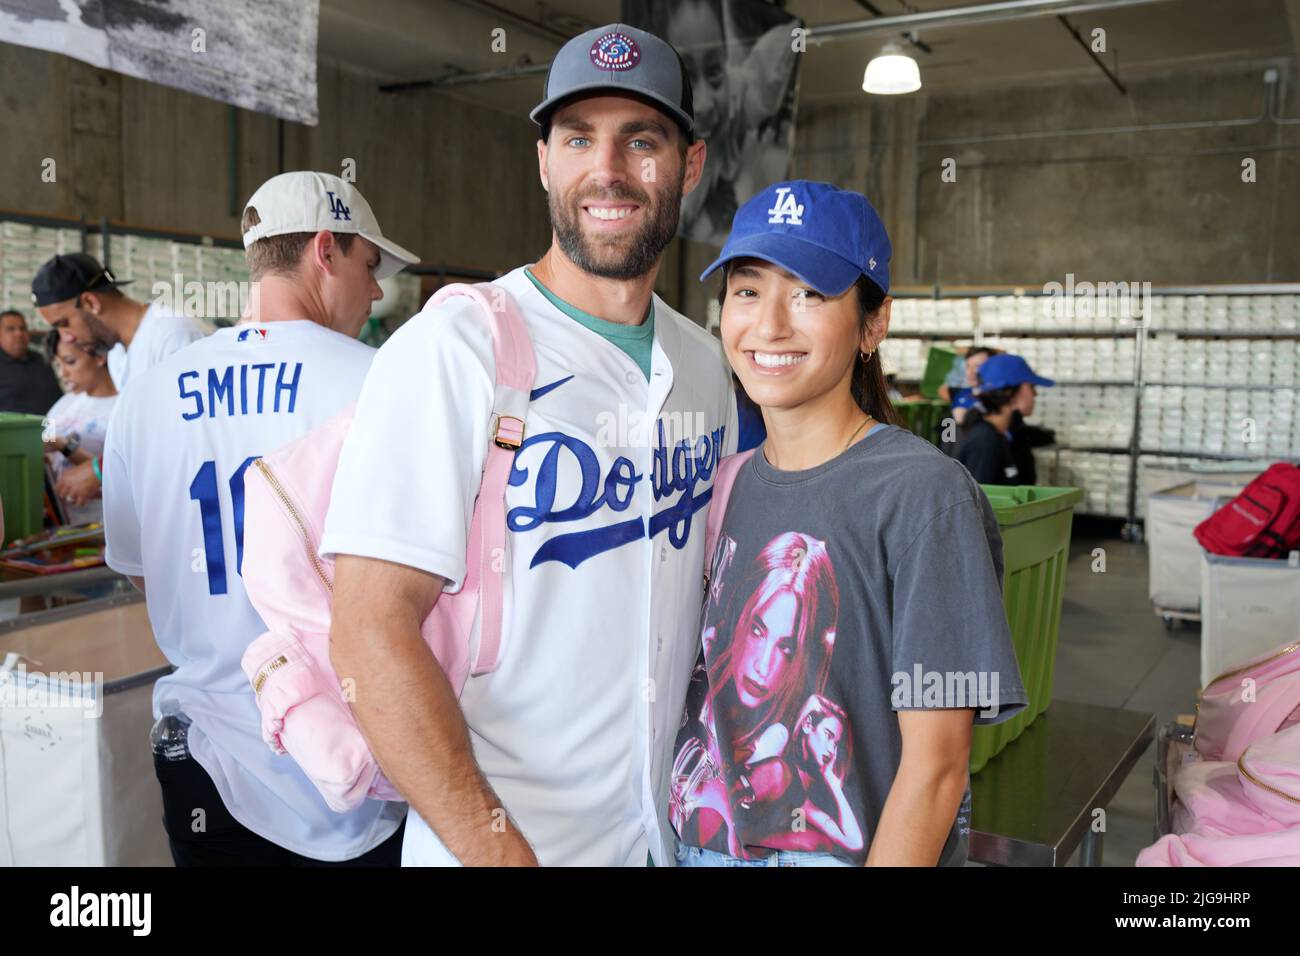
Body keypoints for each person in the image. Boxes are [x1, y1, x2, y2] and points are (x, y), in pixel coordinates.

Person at [321, 23, 737, 867]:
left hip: (661, 842)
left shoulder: (705, 365)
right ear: (544, 161)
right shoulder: (458, 350)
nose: (607, 171)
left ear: (690, 166)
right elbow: (369, 630)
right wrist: (496, 848)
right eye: (578, 138)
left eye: (642, 140)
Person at [671, 180, 1026, 868]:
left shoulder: (924, 494)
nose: (770, 324)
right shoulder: (724, 482)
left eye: (808, 293)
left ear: (873, 323)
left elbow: (937, 769)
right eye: (747, 290)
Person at [101, 171, 419, 866]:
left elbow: (141, 575)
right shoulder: (384, 383)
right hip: (352, 761)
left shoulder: (146, 396)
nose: (374, 292)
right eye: (370, 268)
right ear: (325, 249)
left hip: (206, 759)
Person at [32, 253, 208, 506]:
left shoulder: (172, 335)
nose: (66, 338)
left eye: (64, 324)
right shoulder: (117, 353)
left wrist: (99, 469)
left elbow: (188, 435)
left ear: (91, 302)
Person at [43, 337, 118, 525]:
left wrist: (64, 446)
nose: (62, 373)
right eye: (57, 364)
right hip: (59, 520)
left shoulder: (121, 408)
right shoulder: (65, 403)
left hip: (99, 522)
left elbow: (119, 469)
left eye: (70, 362)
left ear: (99, 357)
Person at [956, 353, 1055, 486]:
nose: (1035, 394)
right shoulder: (984, 442)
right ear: (1009, 392)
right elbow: (976, 503)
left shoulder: (1000, 435)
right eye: (1031, 387)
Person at [0, 309, 63, 415]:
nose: (19, 333)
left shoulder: (41, 360)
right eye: (11, 329)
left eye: (23, 328)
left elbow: (57, 397)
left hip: (51, 427)